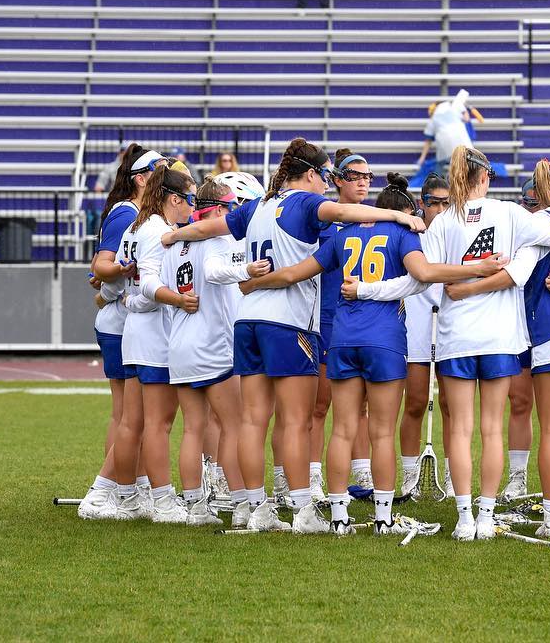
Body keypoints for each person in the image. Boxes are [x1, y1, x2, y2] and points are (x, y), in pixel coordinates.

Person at [158, 137, 424, 534]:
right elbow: (343, 210)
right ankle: (302, 510)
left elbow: (213, 226)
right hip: (288, 322)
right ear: (311, 174)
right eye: (326, 176)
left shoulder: (258, 205)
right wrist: (396, 216)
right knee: (296, 421)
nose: (327, 183)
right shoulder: (304, 202)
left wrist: (178, 235)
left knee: (252, 421)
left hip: (248, 319)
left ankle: (254, 508)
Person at [361, 146, 550, 541]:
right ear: (485, 176)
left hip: (457, 338)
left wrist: (368, 290)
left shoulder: (444, 221)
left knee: (460, 430)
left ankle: (464, 518)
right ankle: (486, 517)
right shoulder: (509, 212)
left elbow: (420, 278)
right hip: (499, 338)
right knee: (492, 429)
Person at [238, 172, 503, 535]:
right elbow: (423, 273)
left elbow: (292, 274)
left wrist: (253, 283)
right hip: (384, 339)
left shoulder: (342, 234)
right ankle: (382, 518)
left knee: (342, 430)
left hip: (343, 339)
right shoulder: (402, 233)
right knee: (381, 433)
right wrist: (477, 268)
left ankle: (339, 519)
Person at [159, 176, 270, 526]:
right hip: (213, 345)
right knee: (234, 426)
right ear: (220, 209)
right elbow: (214, 271)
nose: (235, 212)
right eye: (231, 206)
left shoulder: (176, 243)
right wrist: (246, 269)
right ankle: (241, 504)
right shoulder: (217, 238)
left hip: (180, 344)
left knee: (193, 428)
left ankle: (195, 507)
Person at [114, 162, 202, 524]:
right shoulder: (159, 231)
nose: (193, 207)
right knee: (158, 424)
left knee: (132, 422)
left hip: (137, 331)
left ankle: (126, 498)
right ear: (173, 199)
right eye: (190, 199)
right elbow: (149, 284)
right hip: (154, 334)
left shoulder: (137, 226)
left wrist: (131, 301)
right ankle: (163, 500)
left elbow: (122, 277)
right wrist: (178, 299)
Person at [76, 144, 160, 520]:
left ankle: (133, 486)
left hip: (124, 318)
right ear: (141, 179)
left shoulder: (139, 213)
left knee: (130, 415)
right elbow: (101, 265)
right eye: (158, 170)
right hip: (120, 322)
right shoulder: (127, 211)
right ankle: (107, 491)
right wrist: (122, 270)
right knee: (127, 415)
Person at [311, 148, 376, 502]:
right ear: (337, 180)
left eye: (368, 177)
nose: (363, 183)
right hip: (327, 318)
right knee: (320, 404)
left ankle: (362, 471)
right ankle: (312, 477)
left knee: (360, 404)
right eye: (355, 177)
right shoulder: (324, 220)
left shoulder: (373, 220)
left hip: (362, 320)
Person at [398, 173, 454, 498]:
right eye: (435, 203)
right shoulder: (411, 232)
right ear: (423, 203)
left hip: (449, 322)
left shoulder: (456, 230)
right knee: (416, 401)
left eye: (447, 203)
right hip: (417, 322)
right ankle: (410, 476)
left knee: (450, 404)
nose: (441, 209)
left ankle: (452, 475)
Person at [416, 90, 474, 173]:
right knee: (464, 165)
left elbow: (428, 141)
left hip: (445, 147)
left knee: (440, 166)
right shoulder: (455, 109)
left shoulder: (433, 119)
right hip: (463, 143)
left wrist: (422, 158)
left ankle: (437, 180)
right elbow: (466, 119)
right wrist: (465, 111)